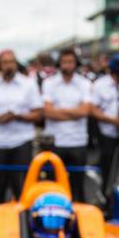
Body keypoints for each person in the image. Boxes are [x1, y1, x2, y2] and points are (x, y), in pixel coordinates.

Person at [0, 49, 42, 209]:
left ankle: (22, 226)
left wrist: (18, 116)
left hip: (21, 141)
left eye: (11, 62)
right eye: (5, 63)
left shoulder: (28, 84)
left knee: (21, 187)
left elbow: (38, 114)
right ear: (0, 65)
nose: (8, 66)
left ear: (16, 64)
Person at [41, 48, 92, 202]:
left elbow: (84, 111)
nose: (67, 65)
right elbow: (48, 112)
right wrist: (73, 112)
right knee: (53, 184)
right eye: (64, 62)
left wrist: (60, 111)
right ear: (59, 63)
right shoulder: (49, 83)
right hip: (55, 140)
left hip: (78, 140)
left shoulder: (85, 83)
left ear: (76, 63)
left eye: (70, 62)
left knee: (78, 185)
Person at [91, 54, 119, 204]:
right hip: (108, 133)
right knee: (108, 166)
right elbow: (93, 109)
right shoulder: (100, 84)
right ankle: (104, 194)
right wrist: (111, 120)